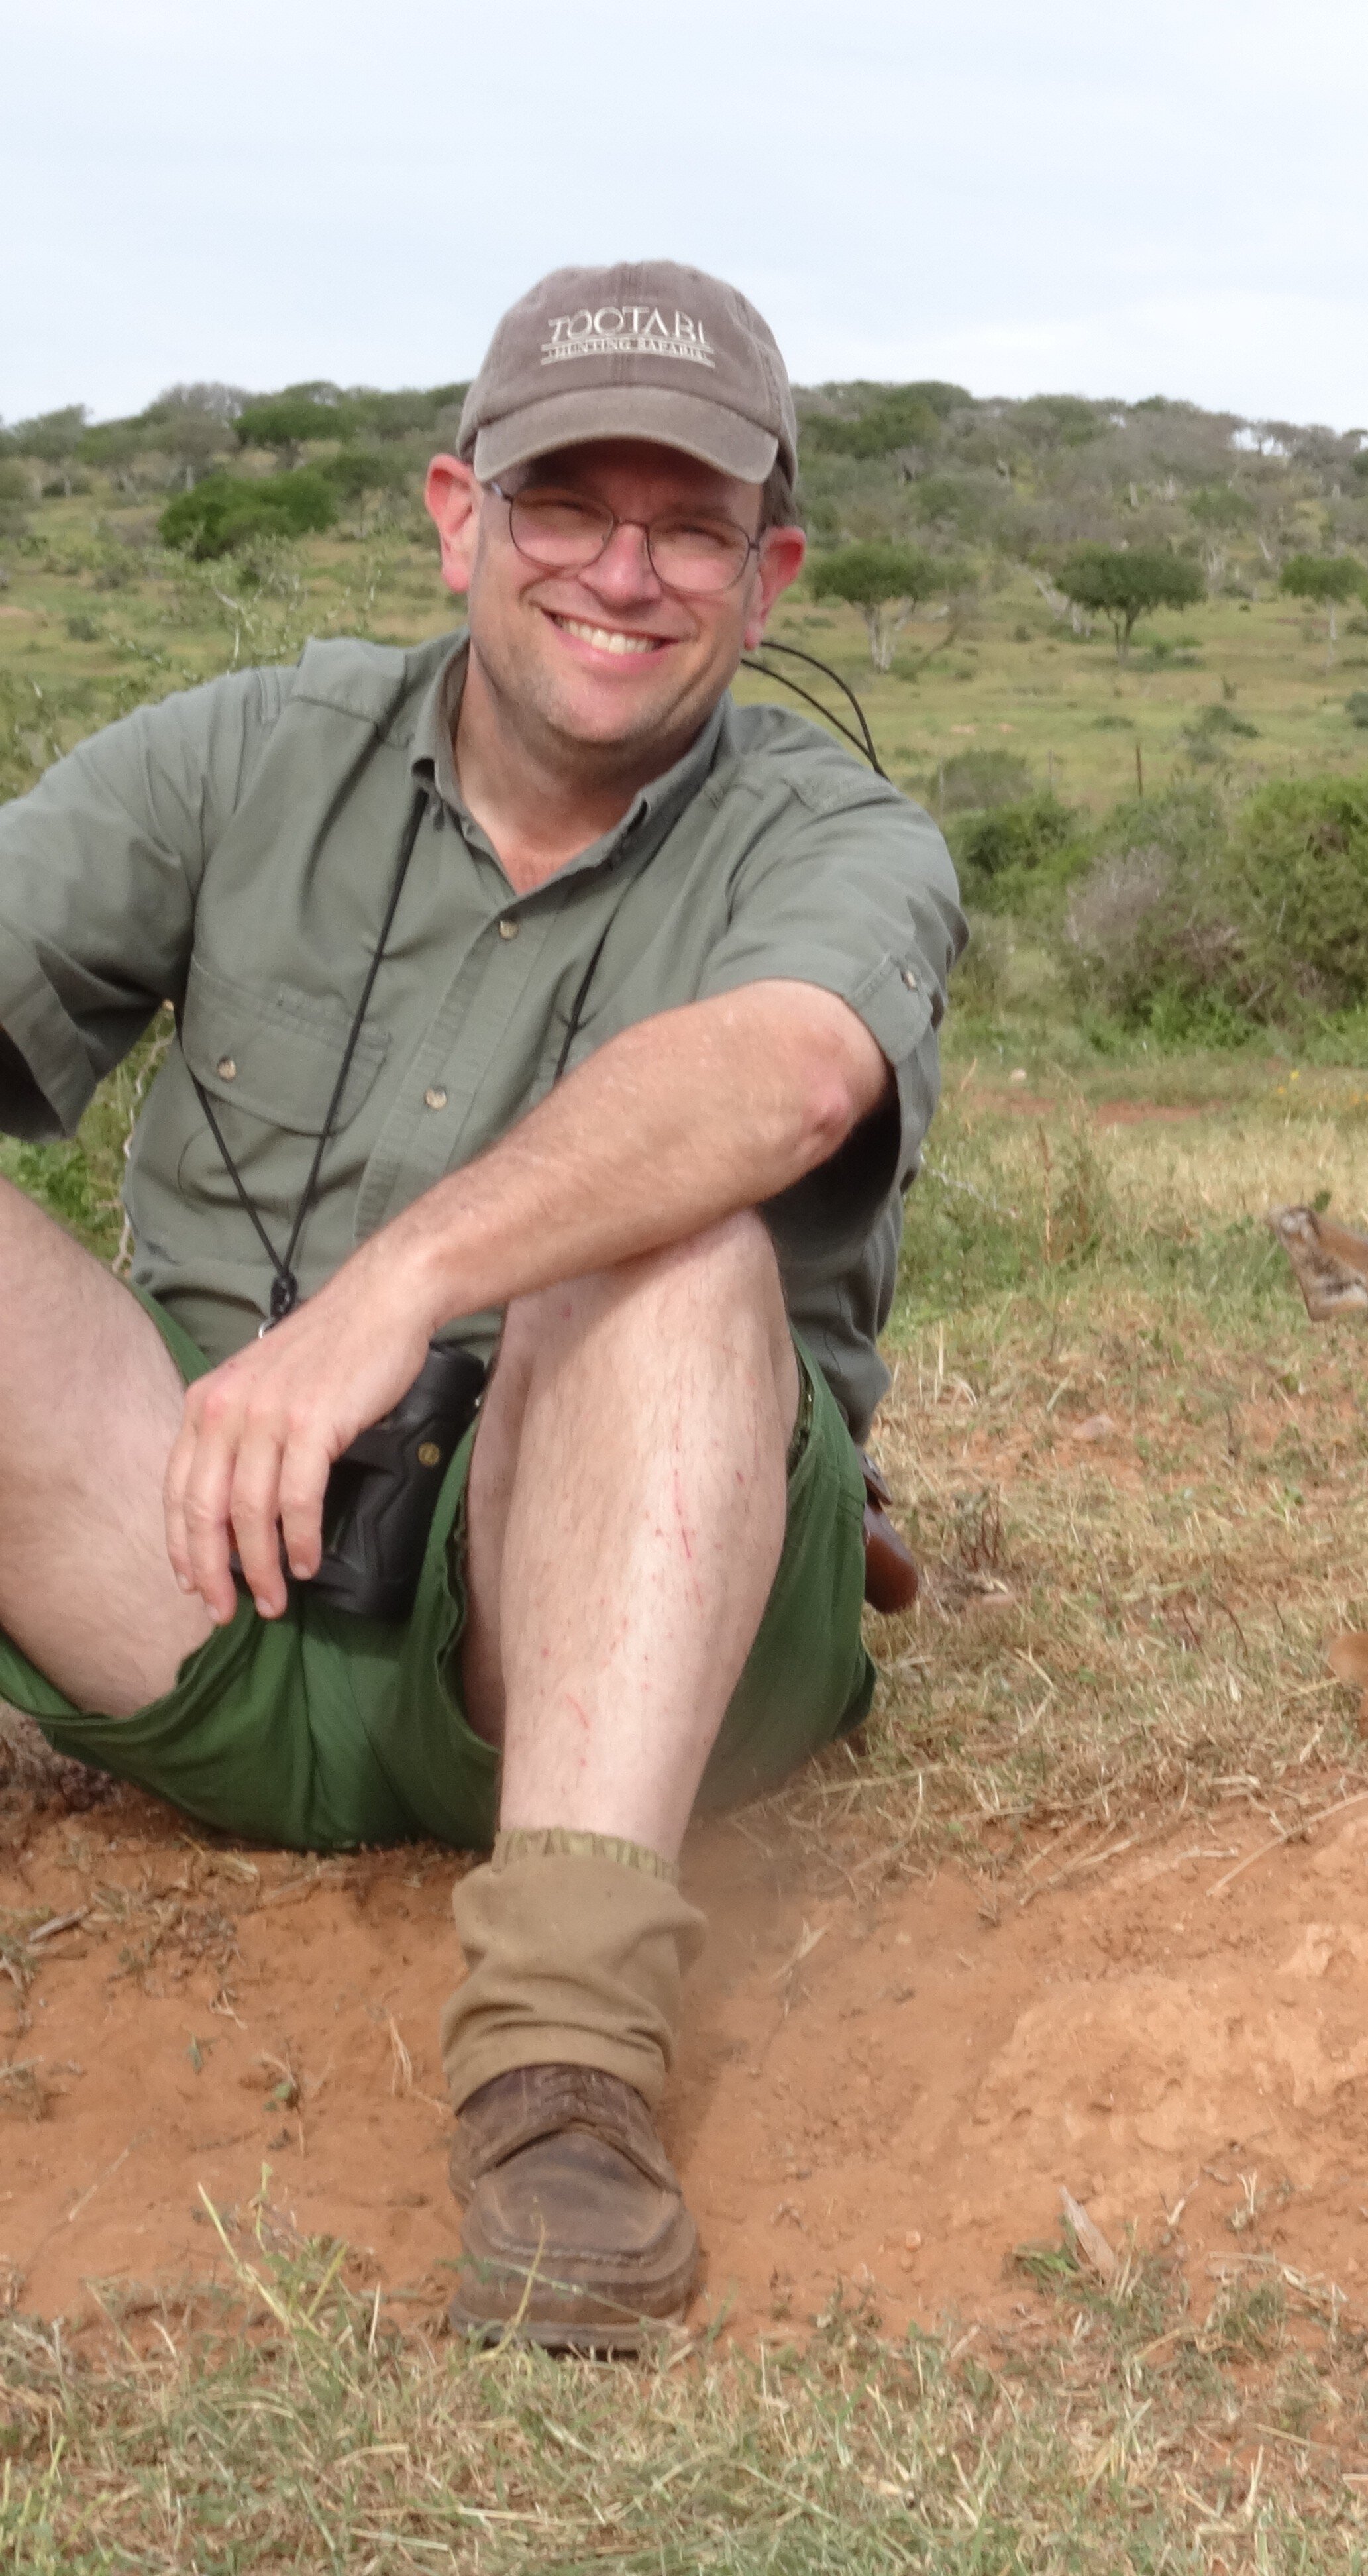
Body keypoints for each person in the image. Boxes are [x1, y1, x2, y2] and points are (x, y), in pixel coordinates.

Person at [0, 262, 964, 2353]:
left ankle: (565, 2088)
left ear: (767, 571)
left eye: (689, 523)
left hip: (594, 1649)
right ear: (457, 512)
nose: (623, 573)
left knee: (675, 1239)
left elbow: (789, 1071)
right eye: (563, 506)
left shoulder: (842, 835)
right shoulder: (244, 749)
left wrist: (408, 1276)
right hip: (198, 1584)